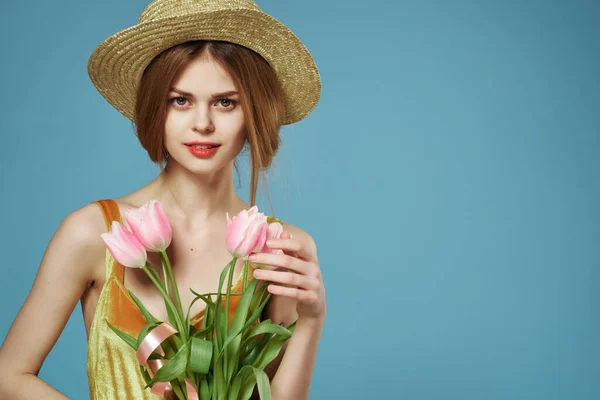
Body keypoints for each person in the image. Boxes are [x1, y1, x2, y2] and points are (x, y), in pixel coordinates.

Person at [0, 0, 327, 399]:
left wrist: (311, 322)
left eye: (226, 102)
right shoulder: (94, 232)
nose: (203, 123)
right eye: (180, 100)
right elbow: (9, 375)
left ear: (254, 113)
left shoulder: (278, 249)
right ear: (156, 108)